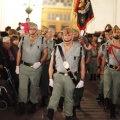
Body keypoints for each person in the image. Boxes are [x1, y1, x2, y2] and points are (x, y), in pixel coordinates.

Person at [44, 27, 85, 120]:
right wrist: (50, 78)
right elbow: (51, 64)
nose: (66, 37)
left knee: (69, 98)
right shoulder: (56, 47)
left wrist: (82, 79)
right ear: (62, 36)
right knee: (55, 95)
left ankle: (68, 116)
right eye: (65, 35)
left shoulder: (79, 49)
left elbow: (82, 65)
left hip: (71, 77)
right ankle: (49, 115)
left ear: (72, 35)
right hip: (58, 75)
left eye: (69, 35)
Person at [15, 22, 48, 114]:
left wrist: (40, 62)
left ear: (37, 30)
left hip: (35, 67)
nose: (32, 31)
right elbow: (19, 53)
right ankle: (21, 106)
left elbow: (46, 53)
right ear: (28, 29)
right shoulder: (23, 39)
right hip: (24, 66)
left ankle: (33, 105)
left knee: (34, 86)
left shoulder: (42, 39)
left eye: (34, 29)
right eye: (30, 29)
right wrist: (17, 65)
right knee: (22, 87)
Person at [103, 25, 120, 119]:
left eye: (118, 32)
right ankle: (106, 102)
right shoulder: (107, 44)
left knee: (115, 91)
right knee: (107, 87)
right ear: (112, 34)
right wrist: (101, 68)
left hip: (118, 71)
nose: (117, 34)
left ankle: (112, 111)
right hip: (108, 69)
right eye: (115, 32)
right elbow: (104, 57)